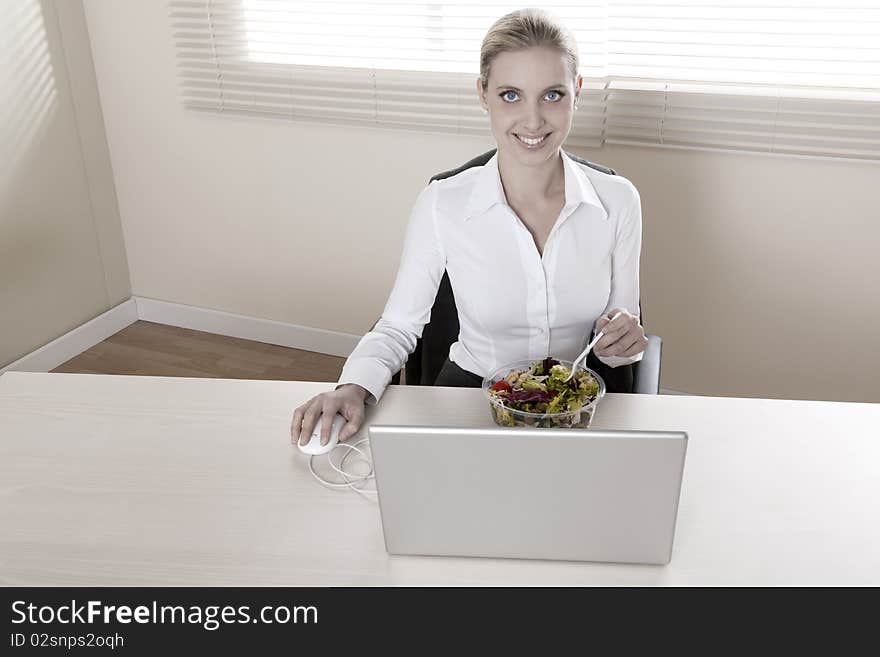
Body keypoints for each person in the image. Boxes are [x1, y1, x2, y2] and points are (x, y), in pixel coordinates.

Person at [291, 8, 648, 448]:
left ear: (577, 91)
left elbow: (624, 330)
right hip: (468, 398)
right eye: (511, 95)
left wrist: (624, 341)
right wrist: (352, 388)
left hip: (576, 405)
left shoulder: (618, 200)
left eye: (552, 95)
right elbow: (399, 327)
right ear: (483, 94)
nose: (533, 120)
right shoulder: (443, 202)